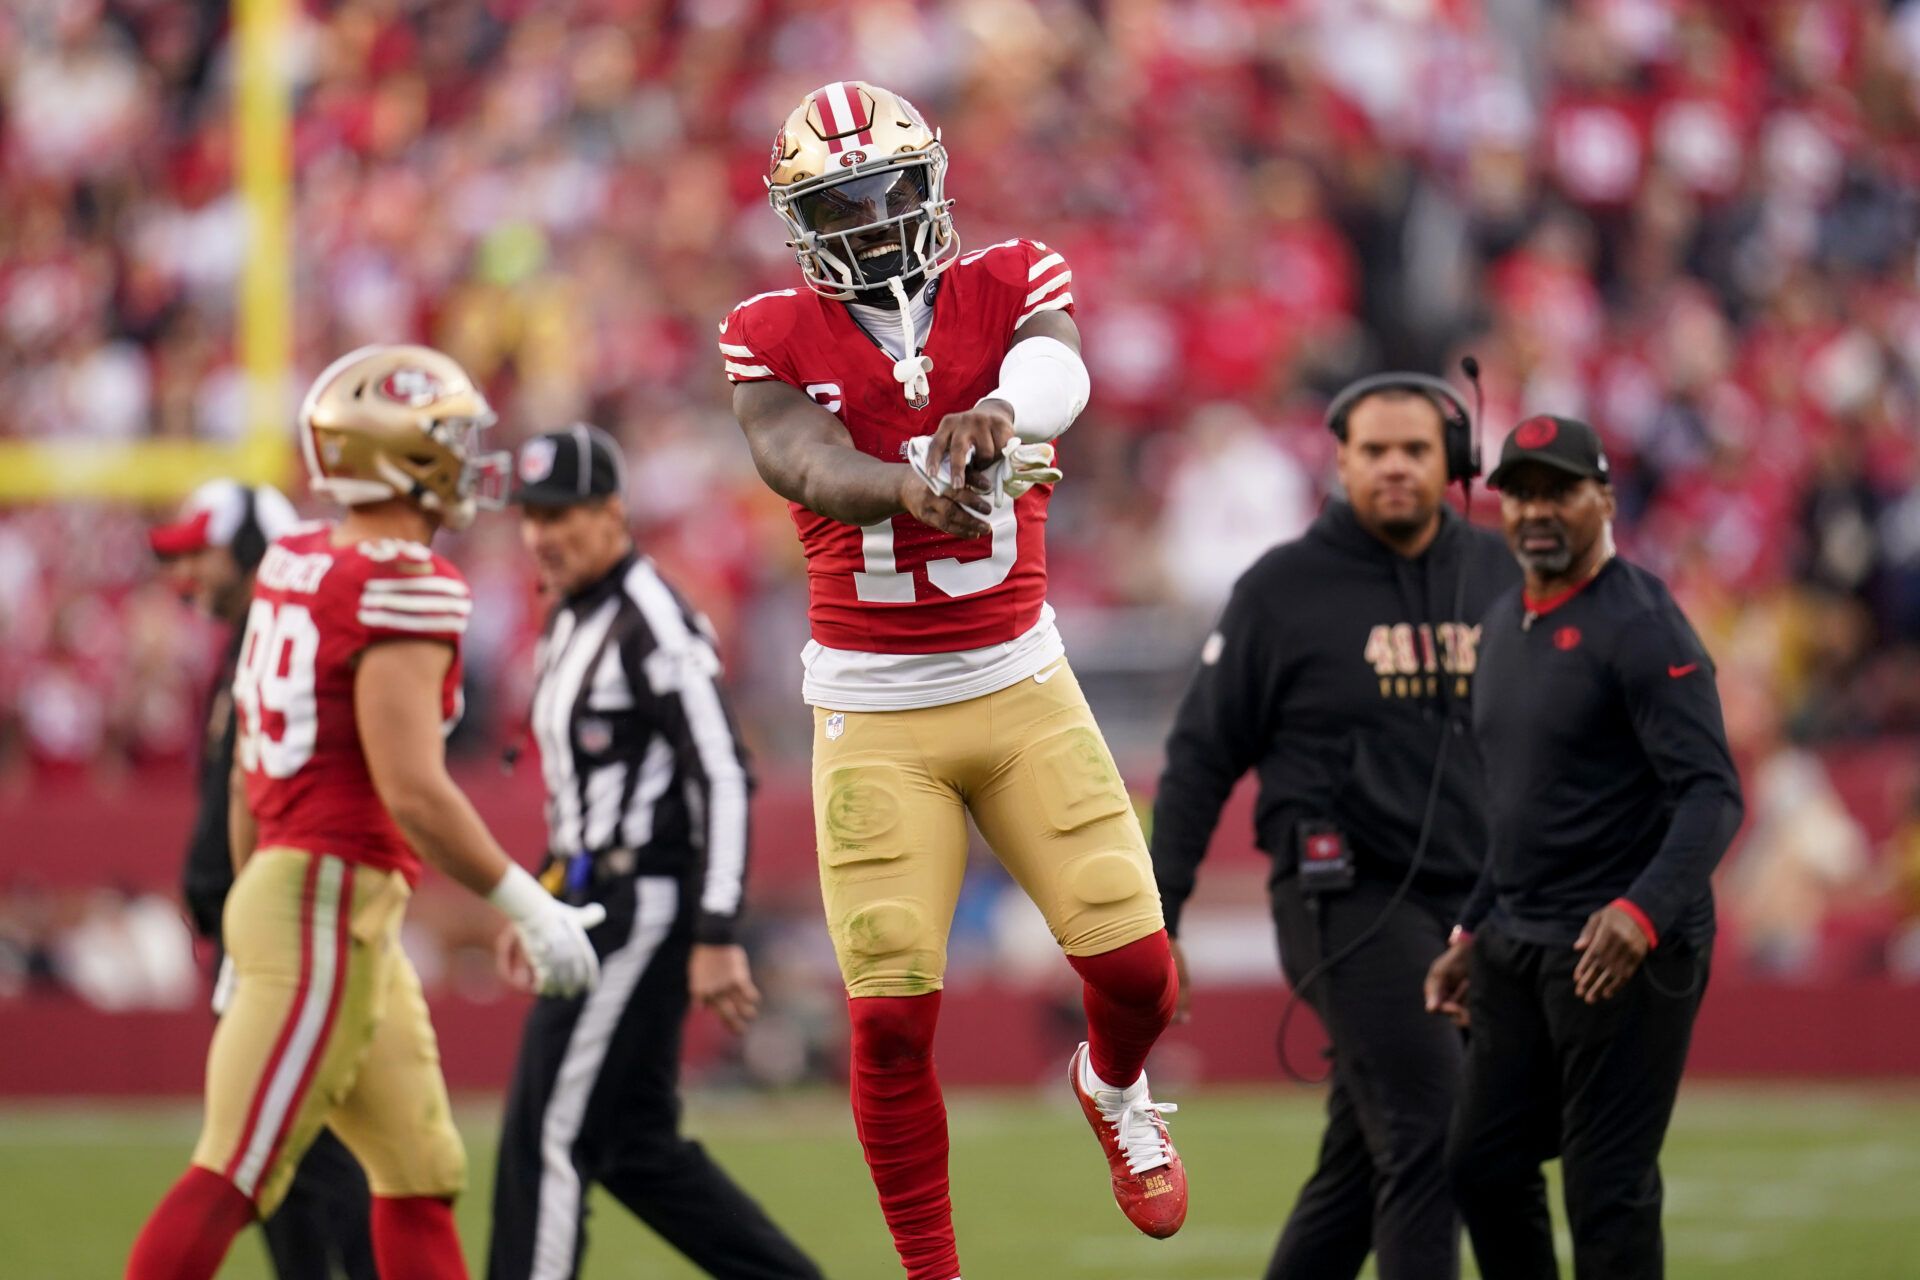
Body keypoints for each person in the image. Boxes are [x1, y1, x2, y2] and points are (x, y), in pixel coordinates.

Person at [721, 81, 1184, 1280]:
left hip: (1021, 680)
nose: (874, 221)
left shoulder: (1013, 277)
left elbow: (1060, 372)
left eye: (889, 192)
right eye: (841, 203)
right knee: (885, 1021)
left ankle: (1111, 1082)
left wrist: (994, 412)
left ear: (934, 188)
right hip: (873, 706)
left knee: (1139, 971)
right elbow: (801, 459)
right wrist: (907, 485)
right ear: (798, 221)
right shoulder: (768, 331)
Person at [127, 344, 607, 1280]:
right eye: (447, 438)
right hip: (323, 902)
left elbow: (242, 778)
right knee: (233, 1173)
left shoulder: (299, 557)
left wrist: (238, 918)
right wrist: (528, 903)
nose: (467, 458)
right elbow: (415, 791)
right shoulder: (402, 585)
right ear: (396, 454)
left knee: (419, 1170)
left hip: (317, 900)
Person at [1151, 374, 1517, 1280]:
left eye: (1417, 451)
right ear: (1340, 462)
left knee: (1363, 1161)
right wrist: (1157, 922)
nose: (1396, 468)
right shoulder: (1280, 591)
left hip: (1476, 902)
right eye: (1376, 452)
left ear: (1456, 463)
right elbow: (1200, 758)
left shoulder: (1502, 573)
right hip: (1344, 897)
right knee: (1432, 1126)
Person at [486, 425, 823, 1280]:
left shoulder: (651, 618)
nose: (541, 534)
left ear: (611, 511)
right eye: (531, 515)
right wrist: (537, 897)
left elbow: (723, 772)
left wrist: (716, 931)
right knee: (631, 1146)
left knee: (546, 1134)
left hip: (644, 905)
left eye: (559, 513)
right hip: (596, 899)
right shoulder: (571, 616)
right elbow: (583, 801)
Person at [1424, 415, 1743, 1280]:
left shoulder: (1642, 623)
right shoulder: (1503, 624)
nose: (1536, 510)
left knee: (1607, 1192)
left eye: (1559, 490)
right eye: (1520, 492)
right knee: (1482, 1166)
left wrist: (1643, 912)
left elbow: (1713, 792)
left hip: (1621, 949)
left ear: (1603, 496)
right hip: (1520, 941)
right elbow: (1518, 809)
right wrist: (1471, 929)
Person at [149, 478, 378, 1280]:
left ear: (252, 550)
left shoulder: (278, 640)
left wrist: (246, 910)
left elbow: (261, 793)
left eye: (204, 555)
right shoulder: (251, 640)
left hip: (278, 931)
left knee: (278, 1152)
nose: (190, 578)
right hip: (253, 929)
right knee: (290, 1157)